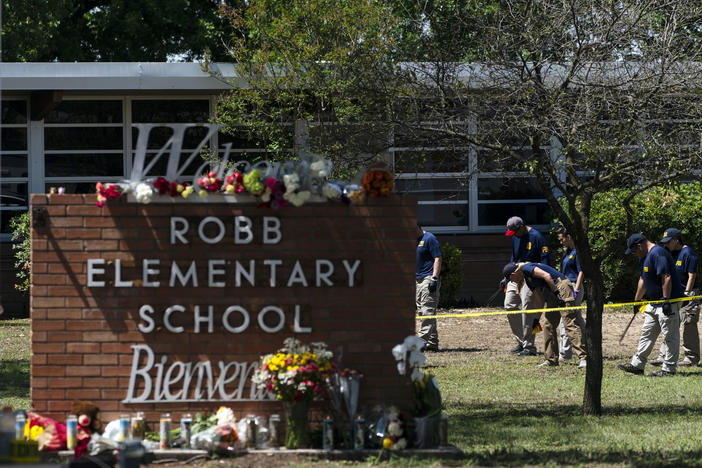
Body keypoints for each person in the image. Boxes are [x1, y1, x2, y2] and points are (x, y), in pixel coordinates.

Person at [618, 233, 684, 377]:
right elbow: (643, 279)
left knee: (670, 336)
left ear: (640, 246)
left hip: (667, 303)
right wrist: (637, 300)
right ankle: (638, 365)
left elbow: (666, 277)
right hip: (653, 304)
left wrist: (666, 300)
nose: (635, 254)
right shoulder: (644, 257)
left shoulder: (657, 253)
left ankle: (669, 369)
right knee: (646, 334)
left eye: (634, 251)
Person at [502, 261, 587, 368]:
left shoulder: (527, 268)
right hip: (553, 291)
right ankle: (551, 360)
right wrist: (536, 320)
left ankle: (584, 358)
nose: (512, 282)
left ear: (513, 275)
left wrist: (557, 294)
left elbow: (546, 276)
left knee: (569, 323)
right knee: (548, 325)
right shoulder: (528, 280)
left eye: (510, 280)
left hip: (562, 287)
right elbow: (540, 302)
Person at [650, 228, 699, 367]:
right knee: (670, 325)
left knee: (689, 325)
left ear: (676, 240)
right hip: (675, 295)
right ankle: (663, 355)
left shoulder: (688, 253)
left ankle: (691, 358)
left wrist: (687, 294)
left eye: (668, 242)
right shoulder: (672, 254)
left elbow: (691, 276)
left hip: (688, 294)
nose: (666, 245)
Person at [504, 216, 550, 356]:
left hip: (531, 276)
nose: (514, 235)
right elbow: (514, 257)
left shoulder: (537, 237)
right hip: (516, 274)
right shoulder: (515, 237)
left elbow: (545, 261)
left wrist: (540, 281)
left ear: (522, 227)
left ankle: (529, 347)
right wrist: (507, 276)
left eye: (515, 232)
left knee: (527, 310)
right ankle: (521, 341)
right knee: (509, 305)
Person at [557, 230, 587, 362]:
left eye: (561, 239)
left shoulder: (577, 252)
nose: (560, 242)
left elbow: (581, 271)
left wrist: (577, 288)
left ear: (568, 237)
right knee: (577, 319)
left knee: (566, 319)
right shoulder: (568, 252)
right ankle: (587, 345)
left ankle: (565, 354)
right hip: (566, 286)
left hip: (573, 286)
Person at [416, 223, 442, 351]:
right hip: (417, 280)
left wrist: (434, 278)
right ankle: (432, 343)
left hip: (428, 278)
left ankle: (419, 343)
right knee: (423, 311)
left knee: (427, 311)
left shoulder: (429, 238)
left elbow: (437, 258)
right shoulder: (413, 240)